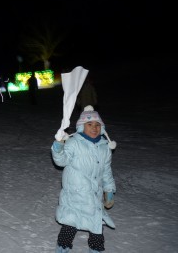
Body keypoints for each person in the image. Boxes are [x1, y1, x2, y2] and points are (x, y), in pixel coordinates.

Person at [51, 105, 116, 253]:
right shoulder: (74, 143)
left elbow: (106, 171)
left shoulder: (104, 147)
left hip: (94, 195)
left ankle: (96, 250)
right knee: (70, 224)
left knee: (97, 227)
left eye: (97, 125)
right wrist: (58, 147)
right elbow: (61, 161)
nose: (94, 128)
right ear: (81, 127)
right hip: (74, 195)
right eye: (90, 124)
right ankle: (62, 249)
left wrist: (109, 190)